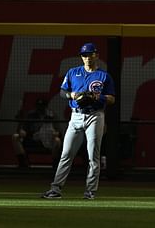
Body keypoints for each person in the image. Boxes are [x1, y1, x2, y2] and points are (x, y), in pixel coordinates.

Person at [42, 42, 115, 200]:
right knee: (66, 153)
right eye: (84, 55)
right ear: (81, 57)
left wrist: (98, 97)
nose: (87, 57)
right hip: (75, 116)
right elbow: (62, 92)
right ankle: (55, 190)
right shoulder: (73, 72)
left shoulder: (104, 76)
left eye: (90, 54)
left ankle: (90, 191)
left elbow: (111, 99)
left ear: (96, 55)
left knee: (93, 156)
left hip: (95, 116)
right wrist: (72, 95)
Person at [11, 98, 62, 168]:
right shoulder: (30, 115)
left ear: (46, 106)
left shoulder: (51, 115)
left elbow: (59, 131)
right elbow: (24, 130)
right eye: (38, 106)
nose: (40, 108)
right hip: (33, 140)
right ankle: (23, 163)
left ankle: (55, 165)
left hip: (48, 140)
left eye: (42, 106)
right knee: (15, 136)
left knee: (57, 141)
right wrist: (20, 125)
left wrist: (55, 133)